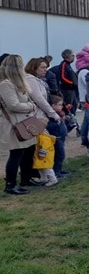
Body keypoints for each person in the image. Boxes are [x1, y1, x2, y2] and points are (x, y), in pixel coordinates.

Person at [0, 54, 45, 194]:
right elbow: (13, 105)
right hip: (14, 124)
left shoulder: (16, 82)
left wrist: (28, 105)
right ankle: (10, 184)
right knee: (16, 154)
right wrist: (30, 106)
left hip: (24, 121)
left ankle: (26, 178)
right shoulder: (6, 84)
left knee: (28, 150)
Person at [51, 49, 78, 114]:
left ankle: (72, 118)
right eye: (72, 55)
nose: (74, 57)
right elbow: (63, 77)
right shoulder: (64, 64)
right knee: (68, 105)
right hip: (67, 89)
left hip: (72, 89)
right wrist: (71, 83)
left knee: (74, 105)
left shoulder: (68, 65)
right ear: (67, 56)